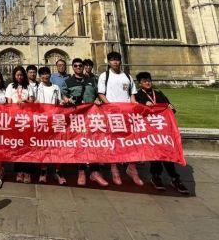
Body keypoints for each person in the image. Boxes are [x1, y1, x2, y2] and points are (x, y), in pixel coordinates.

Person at [135, 71, 189, 194]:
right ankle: (156, 176)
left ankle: (174, 178)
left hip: (162, 130)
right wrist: (143, 105)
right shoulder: (138, 96)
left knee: (166, 154)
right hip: (149, 131)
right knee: (155, 154)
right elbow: (134, 109)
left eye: (149, 80)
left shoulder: (158, 93)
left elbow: (170, 109)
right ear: (140, 84)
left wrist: (171, 108)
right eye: (144, 81)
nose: (147, 83)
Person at [97, 51, 143, 186]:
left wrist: (136, 106)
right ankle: (114, 169)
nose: (115, 62)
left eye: (117, 59)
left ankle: (132, 168)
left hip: (127, 114)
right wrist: (110, 107)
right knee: (114, 142)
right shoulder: (104, 76)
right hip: (112, 114)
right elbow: (101, 94)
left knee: (131, 141)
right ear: (108, 62)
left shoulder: (127, 76)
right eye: (112, 60)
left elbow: (132, 95)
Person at [61, 58, 108, 187]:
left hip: (92, 117)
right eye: (75, 65)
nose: (78, 67)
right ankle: (81, 171)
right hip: (77, 118)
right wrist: (66, 99)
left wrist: (98, 100)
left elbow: (99, 94)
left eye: (80, 65)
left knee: (93, 143)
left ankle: (95, 172)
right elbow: (63, 95)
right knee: (80, 144)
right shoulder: (68, 82)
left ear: (83, 67)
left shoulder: (91, 80)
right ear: (73, 67)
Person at [36, 66, 67, 185]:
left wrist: (63, 102)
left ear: (50, 75)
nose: (45, 76)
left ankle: (58, 171)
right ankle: (43, 171)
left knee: (58, 146)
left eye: (47, 73)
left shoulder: (56, 87)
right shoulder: (37, 88)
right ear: (40, 76)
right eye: (42, 74)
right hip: (43, 121)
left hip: (55, 120)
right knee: (44, 147)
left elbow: (59, 102)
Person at [6, 66, 35, 183]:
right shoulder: (10, 86)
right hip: (15, 119)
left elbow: (32, 101)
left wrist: (25, 101)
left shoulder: (29, 86)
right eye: (17, 75)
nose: (19, 77)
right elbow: (8, 103)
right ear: (14, 76)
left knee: (27, 146)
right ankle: (19, 171)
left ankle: (27, 172)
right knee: (18, 146)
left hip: (27, 119)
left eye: (21, 75)